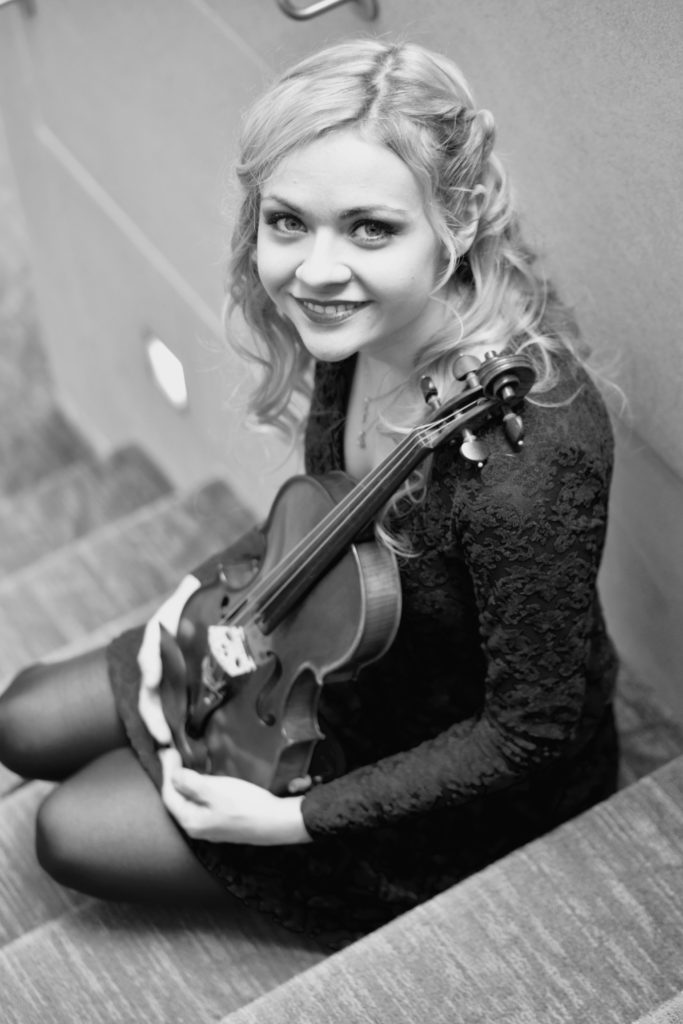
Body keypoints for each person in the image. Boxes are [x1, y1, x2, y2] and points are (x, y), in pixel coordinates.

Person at [0, 39, 619, 949]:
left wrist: (289, 821)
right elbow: (328, 517)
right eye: (288, 222)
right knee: (21, 717)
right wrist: (197, 600)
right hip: (318, 644)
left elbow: (530, 733)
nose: (315, 272)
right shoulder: (358, 331)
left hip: (440, 755)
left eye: (370, 228)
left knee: (73, 831)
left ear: (461, 215)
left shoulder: (530, 464)